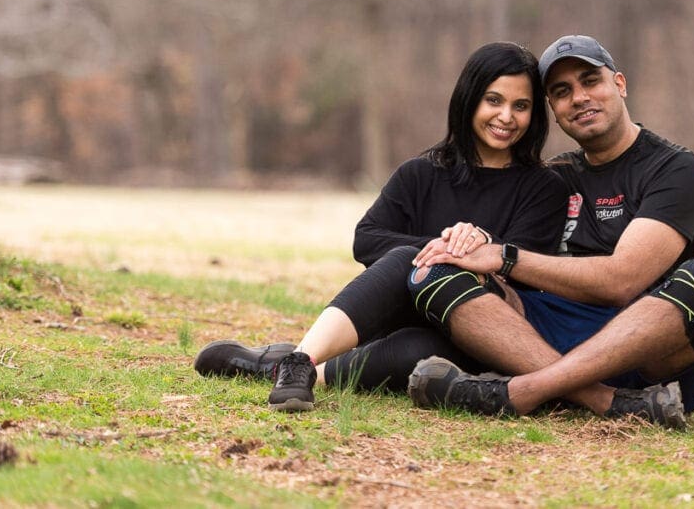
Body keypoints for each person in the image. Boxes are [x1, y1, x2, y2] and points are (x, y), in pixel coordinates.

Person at [193, 42, 569, 412]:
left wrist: (474, 252)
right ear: (469, 99)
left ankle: (285, 366)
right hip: (395, 314)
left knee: (419, 352)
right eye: (494, 100)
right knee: (411, 260)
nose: (506, 116)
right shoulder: (421, 173)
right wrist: (444, 248)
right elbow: (367, 239)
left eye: (520, 106)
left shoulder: (545, 188)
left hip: (479, 332)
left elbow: (526, 273)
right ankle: (297, 365)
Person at [404, 34, 694, 428]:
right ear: (553, 110)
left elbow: (622, 280)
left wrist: (505, 255)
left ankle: (520, 393)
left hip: (649, 350)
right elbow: (489, 256)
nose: (579, 98)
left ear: (619, 83)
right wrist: (470, 239)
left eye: (590, 81)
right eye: (562, 92)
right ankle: (606, 401)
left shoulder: (676, 169)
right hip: (544, 342)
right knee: (433, 272)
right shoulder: (554, 175)